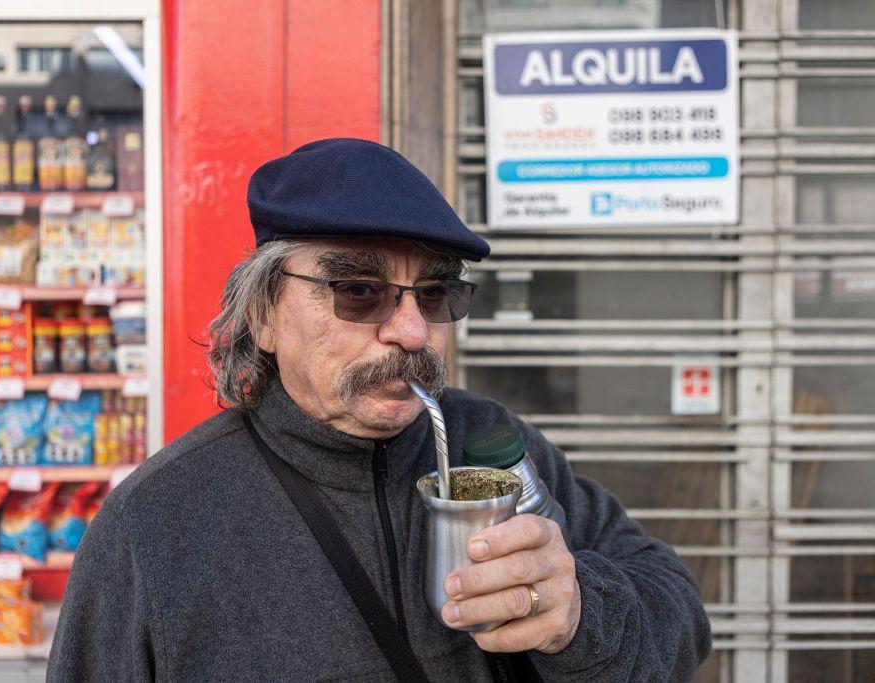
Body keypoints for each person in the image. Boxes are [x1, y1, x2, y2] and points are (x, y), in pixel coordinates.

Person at [48, 138, 711, 681]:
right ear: (265, 316)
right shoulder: (157, 523)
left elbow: (682, 617)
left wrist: (579, 613)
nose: (413, 331)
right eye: (358, 290)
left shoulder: (495, 442)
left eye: (434, 292)